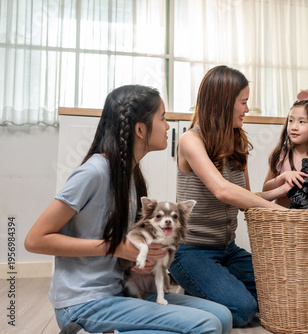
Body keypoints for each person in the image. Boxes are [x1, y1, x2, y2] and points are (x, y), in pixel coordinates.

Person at [24, 85, 232, 334]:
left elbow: (125, 247)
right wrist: (114, 247)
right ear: (141, 129)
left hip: (119, 291)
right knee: (206, 326)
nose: (168, 126)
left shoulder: (130, 176)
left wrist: (139, 259)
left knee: (222, 316)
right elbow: (34, 240)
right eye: (163, 118)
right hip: (84, 302)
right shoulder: (94, 172)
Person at [168, 65, 290, 327]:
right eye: (243, 102)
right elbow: (221, 190)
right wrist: (279, 211)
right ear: (223, 104)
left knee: (281, 293)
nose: (247, 109)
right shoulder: (191, 140)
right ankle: (176, 301)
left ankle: (204, 288)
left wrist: (280, 187)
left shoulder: (237, 141)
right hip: (190, 252)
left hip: (228, 250)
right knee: (244, 310)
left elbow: (244, 197)